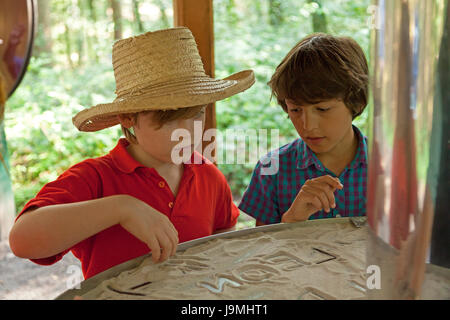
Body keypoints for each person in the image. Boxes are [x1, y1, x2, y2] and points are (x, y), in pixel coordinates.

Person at [8, 27, 255, 279]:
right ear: (127, 117)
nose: (188, 131)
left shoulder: (209, 178)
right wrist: (121, 208)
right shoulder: (95, 178)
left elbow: (223, 250)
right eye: (170, 119)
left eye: (197, 114)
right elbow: (22, 240)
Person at [238, 33, 369, 226]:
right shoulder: (271, 171)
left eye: (322, 109)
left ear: (356, 103)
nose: (307, 125)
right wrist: (292, 219)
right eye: (296, 110)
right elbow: (264, 253)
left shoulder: (392, 168)